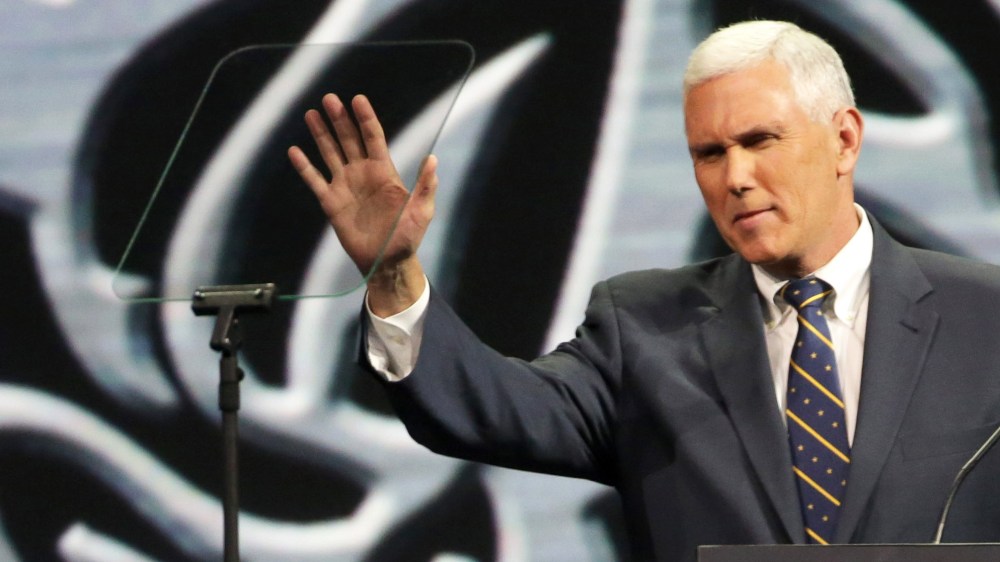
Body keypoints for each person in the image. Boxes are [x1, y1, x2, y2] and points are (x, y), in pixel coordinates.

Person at [288, 20, 1000, 562]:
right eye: (710, 154)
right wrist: (393, 273)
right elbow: (489, 409)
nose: (736, 177)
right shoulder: (646, 329)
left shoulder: (984, 317)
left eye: (761, 141)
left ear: (844, 139)